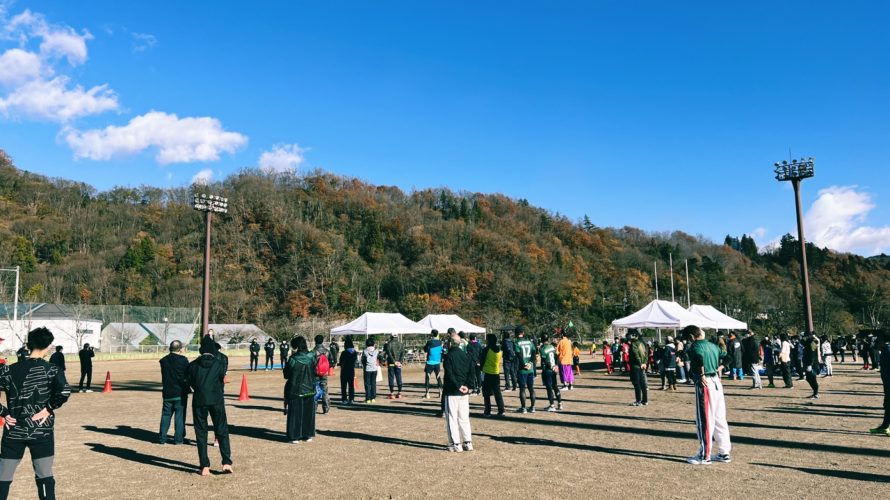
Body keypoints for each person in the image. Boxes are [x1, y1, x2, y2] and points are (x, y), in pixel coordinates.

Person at [0, 327, 70, 499]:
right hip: (41, 431)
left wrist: (4, 412)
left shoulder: (8, 370)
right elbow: (64, 392)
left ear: (29, 345)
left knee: (3, 477)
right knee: (44, 475)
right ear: (48, 346)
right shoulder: (52, 369)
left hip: (13, 430)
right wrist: (48, 408)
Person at [683, 325, 731, 465]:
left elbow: (698, 358)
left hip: (706, 384)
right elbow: (728, 357)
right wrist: (720, 368)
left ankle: (705, 455)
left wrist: (702, 373)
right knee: (719, 418)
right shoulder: (713, 345)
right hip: (716, 382)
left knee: (704, 420)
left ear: (692, 336)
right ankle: (724, 452)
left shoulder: (695, 346)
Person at [187, 337, 232, 476]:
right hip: (216, 399)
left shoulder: (193, 365)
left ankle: (204, 466)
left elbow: (190, 382)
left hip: (199, 400)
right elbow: (221, 380)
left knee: (201, 432)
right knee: (221, 430)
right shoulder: (220, 363)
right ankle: (226, 462)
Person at [442, 329, 473, 452]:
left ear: (450, 343)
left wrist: (458, 385)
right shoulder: (465, 355)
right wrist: (468, 386)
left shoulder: (448, 356)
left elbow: (449, 374)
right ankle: (468, 442)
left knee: (452, 418)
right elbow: (471, 372)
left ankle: (455, 443)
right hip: (464, 391)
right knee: (464, 417)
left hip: (452, 391)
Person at [284, 336, 317, 443]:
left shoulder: (293, 359)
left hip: (295, 389)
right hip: (310, 388)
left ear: (296, 346)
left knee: (295, 414)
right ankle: (307, 435)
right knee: (308, 413)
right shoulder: (312, 357)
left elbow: (286, 374)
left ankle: (294, 436)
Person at [159, 340, 190, 445]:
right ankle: (178, 439)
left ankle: (162, 438)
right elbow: (187, 375)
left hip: (167, 391)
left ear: (170, 348)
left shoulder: (163, 360)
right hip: (180, 392)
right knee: (179, 416)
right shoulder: (183, 360)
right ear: (180, 349)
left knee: (166, 415)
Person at [869, 331, 890, 436]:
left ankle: (885, 426)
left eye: (879, 340)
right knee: (887, 404)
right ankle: (885, 426)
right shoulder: (886, 350)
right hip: (887, 383)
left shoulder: (888, 350)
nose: (877, 341)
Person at [480, 333, 505, 417]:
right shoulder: (499, 350)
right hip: (496, 373)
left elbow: (482, 361)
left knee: (486, 394)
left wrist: (480, 368)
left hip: (487, 373)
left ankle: (487, 411)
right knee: (497, 393)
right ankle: (501, 410)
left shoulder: (486, 349)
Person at [514, 327, 537, 414]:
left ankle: (523, 408)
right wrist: (530, 363)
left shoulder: (516, 343)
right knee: (531, 388)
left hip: (522, 369)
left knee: (522, 389)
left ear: (516, 333)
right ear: (523, 332)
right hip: (530, 369)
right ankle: (533, 407)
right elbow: (534, 352)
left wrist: (524, 364)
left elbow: (519, 355)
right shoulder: (529, 342)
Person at [539, 334, 562, 412]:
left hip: (548, 370)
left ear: (542, 340)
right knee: (555, 386)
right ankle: (560, 403)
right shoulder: (552, 346)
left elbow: (544, 362)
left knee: (549, 388)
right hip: (554, 368)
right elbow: (556, 357)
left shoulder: (543, 349)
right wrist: (556, 366)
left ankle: (552, 405)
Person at [628, 330, 648, 406]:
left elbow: (636, 354)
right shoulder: (642, 343)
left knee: (637, 384)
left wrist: (640, 363)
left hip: (636, 366)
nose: (629, 336)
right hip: (642, 365)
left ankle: (638, 400)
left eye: (630, 335)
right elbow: (646, 353)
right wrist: (644, 363)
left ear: (634, 335)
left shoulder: (634, 344)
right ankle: (645, 400)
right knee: (643, 383)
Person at [311, 336, 331, 413]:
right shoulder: (327, 351)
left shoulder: (313, 352)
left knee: (315, 391)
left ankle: (314, 408)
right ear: (322, 341)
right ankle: (326, 408)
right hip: (324, 374)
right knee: (325, 391)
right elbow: (332, 361)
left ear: (315, 341)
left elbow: (310, 363)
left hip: (315, 374)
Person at [423, 331, 444, 399]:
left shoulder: (429, 342)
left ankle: (427, 394)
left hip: (430, 362)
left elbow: (425, 350)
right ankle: (440, 393)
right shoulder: (440, 342)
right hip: (437, 362)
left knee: (427, 378)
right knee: (438, 377)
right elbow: (442, 350)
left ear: (431, 334)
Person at [383, 334, 404, 399]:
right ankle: (399, 393)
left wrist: (394, 362)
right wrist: (400, 362)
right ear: (397, 337)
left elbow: (389, 354)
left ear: (391, 337)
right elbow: (402, 354)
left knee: (391, 378)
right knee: (399, 377)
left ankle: (392, 393)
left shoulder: (388, 344)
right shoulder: (401, 344)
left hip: (391, 364)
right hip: (398, 363)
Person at [338, 337, 358, 405]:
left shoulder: (344, 352)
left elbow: (340, 362)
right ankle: (351, 399)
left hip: (344, 371)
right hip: (351, 370)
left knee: (343, 386)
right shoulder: (354, 353)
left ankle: (344, 399)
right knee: (351, 386)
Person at [803, 332, 821, 399]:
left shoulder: (811, 342)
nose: (803, 337)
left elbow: (812, 354)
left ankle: (816, 393)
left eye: (804, 336)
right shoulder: (808, 342)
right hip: (809, 363)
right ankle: (815, 392)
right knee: (808, 378)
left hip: (812, 364)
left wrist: (810, 364)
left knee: (813, 378)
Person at [361, 338, 379, 403]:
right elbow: (379, 357)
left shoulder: (365, 351)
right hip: (374, 369)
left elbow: (362, 360)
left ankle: (368, 398)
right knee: (373, 383)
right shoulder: (376, 351)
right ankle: (373, 398)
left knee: (367, 384)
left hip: (367, 369)